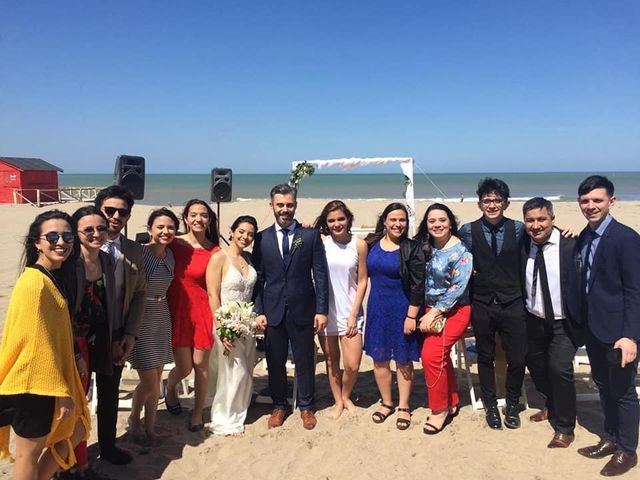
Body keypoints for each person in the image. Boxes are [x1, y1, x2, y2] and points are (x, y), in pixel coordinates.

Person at [0, 210, 90, 480]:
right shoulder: (34, 283)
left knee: (77, 431)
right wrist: (62, 393)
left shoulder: (50, 277)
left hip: (42, 383)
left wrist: (73, 357)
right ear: (37, 242)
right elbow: (35, 343)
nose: (61, 241)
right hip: (33, 384)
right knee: (28, 455)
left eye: (67, 235)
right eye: (52, 236)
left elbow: (54, 333)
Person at [571, 176, 639, 477]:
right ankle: (610, 438)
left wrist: (630, 336)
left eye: (597, 200)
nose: (590, 206)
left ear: (612, 201)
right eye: (585, 201)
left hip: (618, 332)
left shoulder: (626, 238)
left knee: (623, 392)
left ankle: (627, 450)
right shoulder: (585, 236)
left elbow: (635, 291)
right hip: (594, 328)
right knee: (603, 386)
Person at [252, 184, 329, 430]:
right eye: (280, 205)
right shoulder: (261, 238)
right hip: (273, 309)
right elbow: (259, 277)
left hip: (303, 307)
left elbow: (320, 274)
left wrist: (321, 309)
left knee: (305, 358)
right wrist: (259, 310)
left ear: (295, 205)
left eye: (289, 205)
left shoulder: (309, 235)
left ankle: (306, 405)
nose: (285, 210)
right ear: (271, 206)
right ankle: (279, 405)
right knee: (275, 360)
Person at [457, 178, 528, 430]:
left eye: (497, 200)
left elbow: (546, 234)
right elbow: (453, 253)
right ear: (479, 204)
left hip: (513, 300)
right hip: (482, 301)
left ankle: (512, 402)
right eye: (487, 200)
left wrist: (568, 233)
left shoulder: (519, 229)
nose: (492, 204)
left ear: (506, 203)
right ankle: (490, 405)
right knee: (485, 356)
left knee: (518, 357)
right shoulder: (467, 230)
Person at [521, 197, 584, 449]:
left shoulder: (571, 244)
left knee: (560, 369)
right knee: (535, 366)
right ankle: (551, 405)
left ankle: (565, 427)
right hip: (533, 319)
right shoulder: (524, 243)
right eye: (530, 220)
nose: (536, 225)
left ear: (553, 220)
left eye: (541, 219)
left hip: (563, 322)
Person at [94, 185, 147, 464]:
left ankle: (108, 446)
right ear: (98, 209)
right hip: (81, 336)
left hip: (116, 335)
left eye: (122, 212)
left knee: (109, 395)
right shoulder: (77, 245)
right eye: (109, 210)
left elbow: (139, 293)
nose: (115, 216)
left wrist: (130, 333)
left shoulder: (133, 250)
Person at [364, 203, 424, 431]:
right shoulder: (370, 244)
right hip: (378, 308)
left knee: (403, 359)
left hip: (403, 309)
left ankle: (404, 406)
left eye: (402, 220)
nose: (398, 224)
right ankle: (387, 402)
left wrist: (412, 316)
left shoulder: (412, 248)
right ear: (385, 221)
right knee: (379, 358)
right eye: (393, 220)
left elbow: (419, 285)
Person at [66, 206, 116, 478]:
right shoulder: (68, 264)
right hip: (73, 343)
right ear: (76, 232)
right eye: (89, 229)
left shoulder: (107, 260)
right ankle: (75, 465)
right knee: (73, 406)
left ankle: (81, 461)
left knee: (83, 405)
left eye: (101, 228)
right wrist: (75, 353)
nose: (97, 234)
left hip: (100, 341)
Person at [415, 203, 472, 435]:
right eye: (432, 221)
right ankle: (452, 400)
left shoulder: (461, 251)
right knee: (440, 357)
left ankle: (439, 410)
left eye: (442, 220)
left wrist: (435, 312)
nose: (437, 225)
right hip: (427, 308)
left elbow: (457, 288)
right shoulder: (425, 246)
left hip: (454, 310)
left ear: (450, 222)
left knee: (430, 355)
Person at [166, 199, 220, 432]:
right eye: (193, 214)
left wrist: (218, 318)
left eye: (203, 215)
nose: (199, 219)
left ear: (209, 220)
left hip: (201, 312)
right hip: (176, 310)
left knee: (201, 365)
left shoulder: (214, 250)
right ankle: (170, 387)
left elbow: (214, 289)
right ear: (186, 218)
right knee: (185, 367)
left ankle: (197, 413)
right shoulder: (173, 244)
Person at [206, 215, 260, 436]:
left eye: (250, 234)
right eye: (241, 231)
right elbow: (212, 294)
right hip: (225, 323)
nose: (245, 237)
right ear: (231, 231)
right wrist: (221, 327)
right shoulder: (219, 257)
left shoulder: (248, 259)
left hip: (246, 325)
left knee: (245, 369)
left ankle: (239, 411)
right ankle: (225, 420)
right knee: (236, 372)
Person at [313, 200, 368, 418]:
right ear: (326, 223)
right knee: (330, 360)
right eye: (332, 220)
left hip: (351, 312)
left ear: (348, 219)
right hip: (325, 312)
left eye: (341, 219)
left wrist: (354, 313)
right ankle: (338, 400)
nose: (337, 224)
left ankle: (346, 395)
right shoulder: (320, 243)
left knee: (352, 364)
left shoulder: (359, 244)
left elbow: (363, 280)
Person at [128, 208, 178, 443]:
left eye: (170, 227)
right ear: (149, 229)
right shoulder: (140, 253)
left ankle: (150, 429)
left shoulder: (170, 255)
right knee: (149, 381)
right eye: (160, 227)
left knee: (157, 376)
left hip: (162, 314)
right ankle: (134, 420)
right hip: (141, 316)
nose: (165, 231)